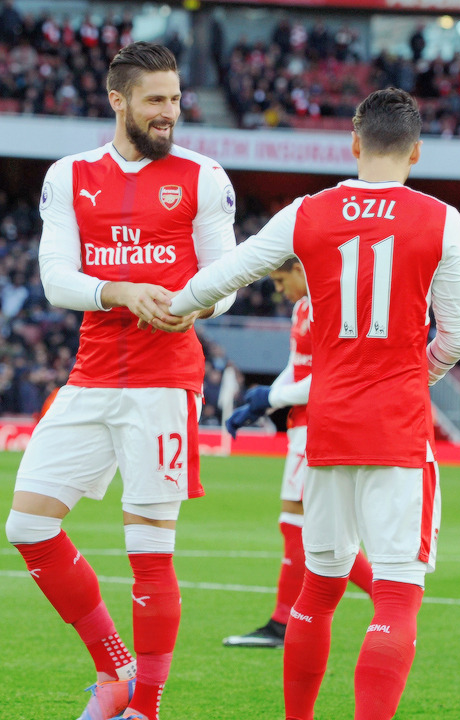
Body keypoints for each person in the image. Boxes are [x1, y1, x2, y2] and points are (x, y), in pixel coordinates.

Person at [163, 88, 460, 719]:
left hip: (327, 429)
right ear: (417, 151)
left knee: (318, 589)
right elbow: (457, 336)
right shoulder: (442, 218)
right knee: (394, 599)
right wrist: (420, 378)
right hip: (398, 431)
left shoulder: (307, 213)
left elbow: (230, 272)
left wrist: (171, 307)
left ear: (354, 145)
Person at [5, 41, 236, 720]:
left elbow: (223, 280)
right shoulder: (69, 175)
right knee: (27, 525)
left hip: (164, 385)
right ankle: (116, 668)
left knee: (148, 550)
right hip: (92, 375)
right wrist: (118, 289)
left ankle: (145, 708)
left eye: (175, 100)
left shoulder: (202, 176)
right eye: (156, 101)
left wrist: (186, 302)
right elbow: (57, 279)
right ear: (118, 101)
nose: (170, 113)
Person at [223, 257, 373, 648]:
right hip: (303, 425)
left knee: (299, 521)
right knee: (307, 523)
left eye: (280, 279)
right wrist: (263, 403)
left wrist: (270, 397)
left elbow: (329, 379)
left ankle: (284, 623)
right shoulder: (302, 306)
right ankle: (286, 622)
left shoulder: (335, 307)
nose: (277, 288)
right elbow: (298, 367)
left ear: (303, 269)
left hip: (323, 425)